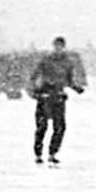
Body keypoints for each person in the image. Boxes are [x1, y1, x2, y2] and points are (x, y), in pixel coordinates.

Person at [28, 36, 86, 166]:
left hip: (58, 97)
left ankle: (52, 153)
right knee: (42, 127)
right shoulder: (46, 61)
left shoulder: (67, 62)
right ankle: (38, 153)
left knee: (59, 127)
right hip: (45, 95)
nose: (58, 49)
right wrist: (34, 92)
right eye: (56, 46)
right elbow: (34, 76)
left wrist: (77, 88)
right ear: (53, 46)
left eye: (60, 46)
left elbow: (69, 80)